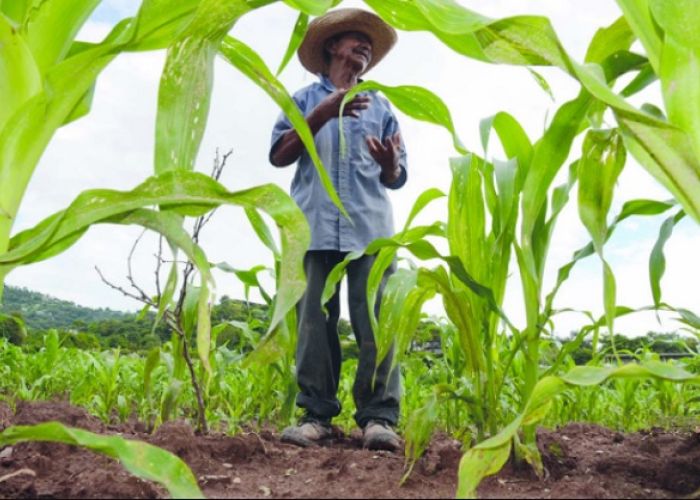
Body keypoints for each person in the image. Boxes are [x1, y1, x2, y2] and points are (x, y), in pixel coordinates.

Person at [269, 8, 407, 451]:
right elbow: (279, 155)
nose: (365, 47)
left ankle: (379, 419)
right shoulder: (302, 100)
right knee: (313, 322)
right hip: (312, 227)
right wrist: (324, 113)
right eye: (355, 40)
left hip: (371, 230)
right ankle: (317, 416)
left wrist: (390, 166)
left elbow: (397, 175)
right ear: (331, 47)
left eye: (369, 44)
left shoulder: (382, 105)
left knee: (377, 322)